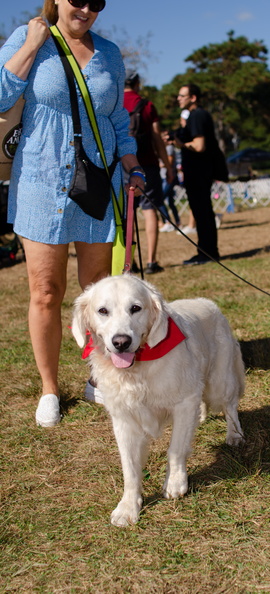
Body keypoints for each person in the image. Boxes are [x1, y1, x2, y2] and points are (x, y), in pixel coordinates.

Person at [0, 0, 145, 427]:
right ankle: (49, 388)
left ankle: (98, 376)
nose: (86, 8)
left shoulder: (109, 54)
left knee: (100, 290)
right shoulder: (30, 38)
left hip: (97, 182)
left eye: (96, 2)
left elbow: (117, 116)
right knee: (46, 290)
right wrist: (30, 44)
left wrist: (132, 163)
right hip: (40, 183)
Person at [124, 72, 173, 273]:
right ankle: (152, 261)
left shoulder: (116, 103)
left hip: (122, 165)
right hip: (148, 166)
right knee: (150, 211)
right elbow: (157, 138)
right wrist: (168, 166)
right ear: (137, 84)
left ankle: (130, 262)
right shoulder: (147, 105)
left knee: (128, 214)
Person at [175, 84, 220, 265]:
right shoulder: (196, 116)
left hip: (199, 172)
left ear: (193, 97)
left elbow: (199, 145)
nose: (178, 98)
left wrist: (180, 144)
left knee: (203, 212)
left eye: (182, 95)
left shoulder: (197, 116)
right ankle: (206, 251)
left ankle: (207, 252)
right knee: (202, 212)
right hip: (199, 171)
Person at [158, 134, 181, 232]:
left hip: (168, 178)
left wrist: (159, 164)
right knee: (171, 202)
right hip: (164, 177)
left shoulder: (170, 148)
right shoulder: (164, 148)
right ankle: (177, 222)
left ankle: (168, 222)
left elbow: (170, 163)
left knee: (159, 200)